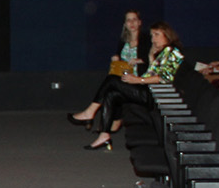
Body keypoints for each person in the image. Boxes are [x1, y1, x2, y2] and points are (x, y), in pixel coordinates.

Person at [68, 22, 183, 151]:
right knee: (112, 94)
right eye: (152, 35)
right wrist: (151, 57)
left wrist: (138, 80)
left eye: (157, 35)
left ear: (167, 35)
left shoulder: (173, 52)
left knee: (112, 80)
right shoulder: (162, 52)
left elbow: (165, 78)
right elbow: (153, 73)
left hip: (157, 95)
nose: (153, 39)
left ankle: (90, 112)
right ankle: (104, 135)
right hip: (150, 90)